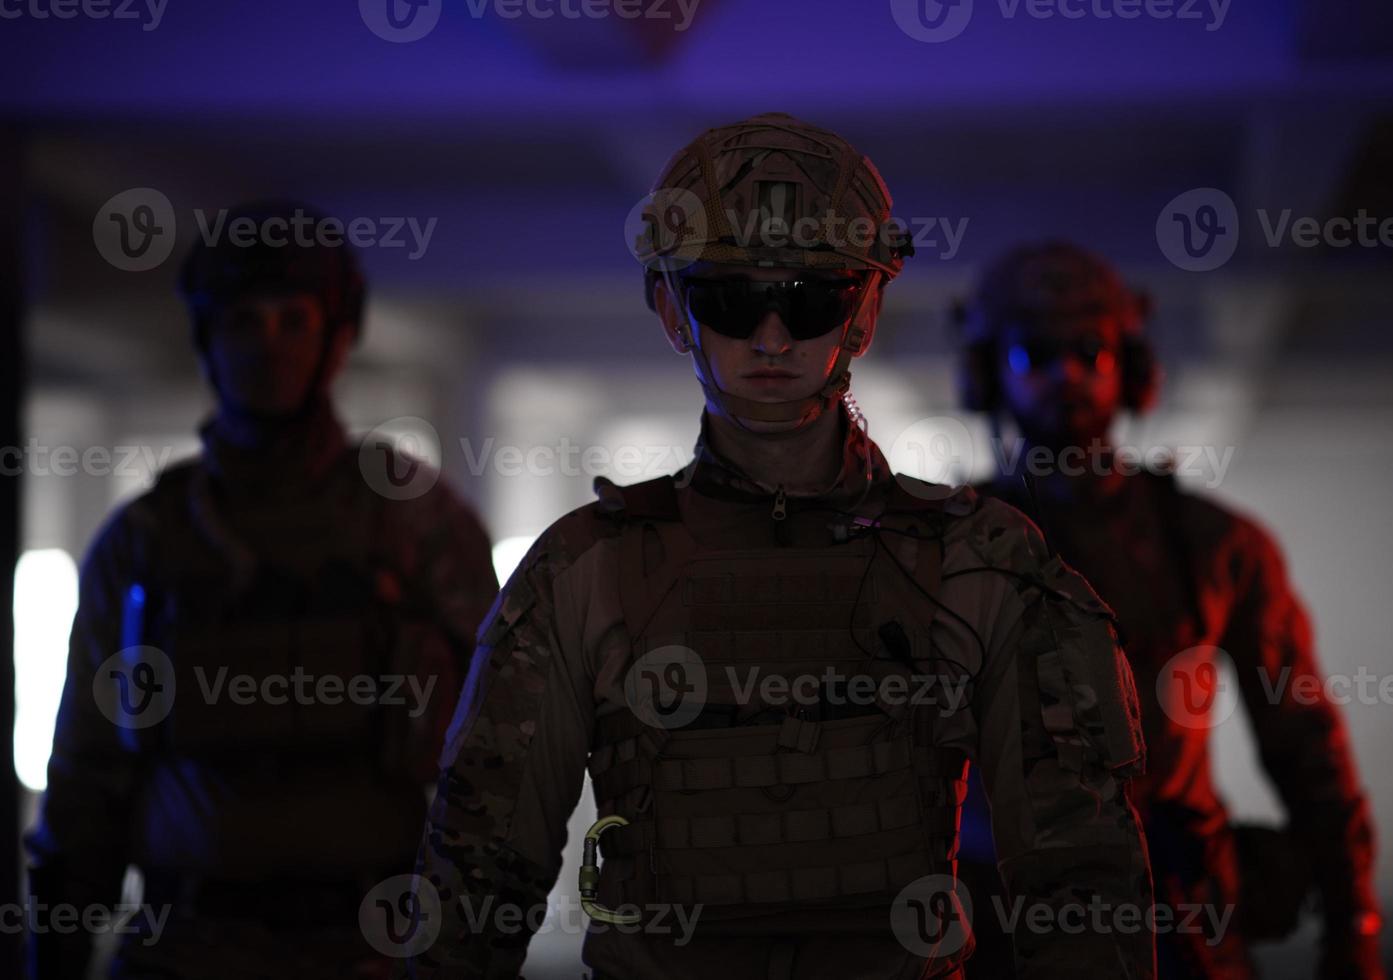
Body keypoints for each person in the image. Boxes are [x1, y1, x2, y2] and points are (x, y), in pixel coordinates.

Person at [408, 114, 1156, 980]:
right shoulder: (584, 570)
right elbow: (478, 882)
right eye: (731, 299)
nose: (770, 337)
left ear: (865, 310)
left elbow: (1080, 884)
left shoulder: (979, 561)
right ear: (671, 310)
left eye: (809, 300)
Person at [26, 201, 499, 979]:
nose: (267, 346)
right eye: (243, 321)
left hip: (370, 943)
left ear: (337, 339)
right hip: (189, 942)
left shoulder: (415, 522)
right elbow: (86, 775)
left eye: (293, 320)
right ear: (209, 341)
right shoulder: (147, 540)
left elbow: (491, 763)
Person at [953, 241, 1383, 980]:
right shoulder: (937, 546)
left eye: (1091, 349)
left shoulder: (1213, 545)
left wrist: (1354, 927)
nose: (1067, 375)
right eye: (1037, 353)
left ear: (1131, 366)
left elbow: (1307, 745)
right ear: (993, 371)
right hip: (999, 929)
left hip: (1175, 920)